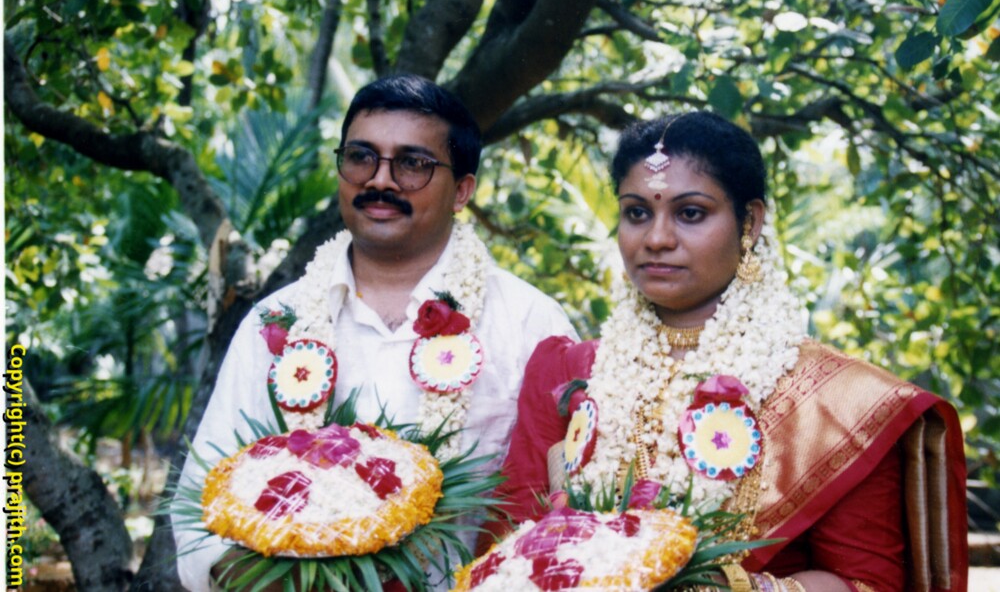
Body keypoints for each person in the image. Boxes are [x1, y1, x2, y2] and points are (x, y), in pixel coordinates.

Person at [486, 112, 968, 591]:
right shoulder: (567, 372)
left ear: (750, 222)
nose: (657, 238)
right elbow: (507, 551)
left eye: (690, 213)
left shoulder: (837, 402)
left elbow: (867, 583)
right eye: (637, 213)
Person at [172, 74, 577, 591]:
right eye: (361, 157)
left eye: (413, 163)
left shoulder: (529, 323)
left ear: (462, 190)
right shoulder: (276, 320)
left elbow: (573, 506)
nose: (380, 180)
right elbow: (199, 509)